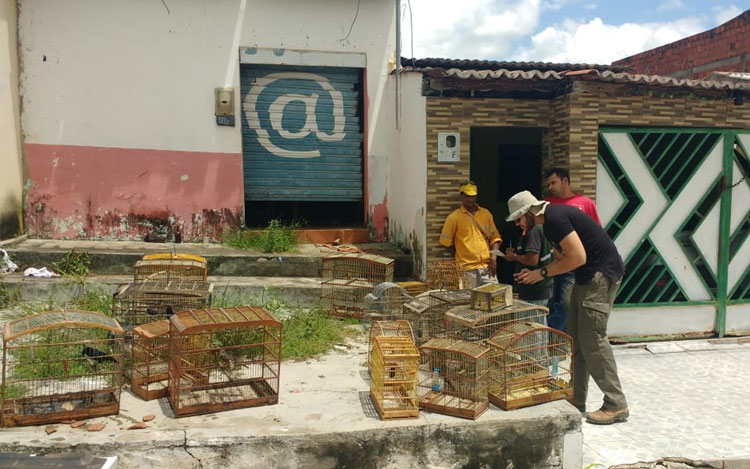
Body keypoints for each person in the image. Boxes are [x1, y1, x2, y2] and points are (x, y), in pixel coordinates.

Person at [506, 190, 628, 425]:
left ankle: (616, 404)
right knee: (577, 339)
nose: (519, 225)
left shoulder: (555, 219)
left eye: (519, 219)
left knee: (593, 339)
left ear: (529, 212)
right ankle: (577, 398)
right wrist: (535, 273)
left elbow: (578, 257)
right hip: (587, 278)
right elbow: (565, 259)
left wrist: (540, 272)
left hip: (601, 276)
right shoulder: (549, 224)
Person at [544, 168, 602, 333]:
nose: (550, 187)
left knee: (583, 304)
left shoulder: (585, 203)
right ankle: (554, 343)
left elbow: (596, 232)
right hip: (563, 263)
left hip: (585, 264)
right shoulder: (548, 205)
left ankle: (573, 340)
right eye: (548, 184)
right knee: (562, 303)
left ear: (565, 181)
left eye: (553, 183)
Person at [439, 181, 502, 289]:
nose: (470, 199)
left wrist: (493, 258)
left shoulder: (486, 214)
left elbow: (495, 237)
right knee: (469, 301)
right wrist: (462, 257)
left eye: (472, 196)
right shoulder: (454, 218)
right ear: (461, 196)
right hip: (467, 270)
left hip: (487, 268)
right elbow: (447, 244)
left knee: (493, 299)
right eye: (467, 196)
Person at [502, 224, 553, 312]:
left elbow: (532, 260)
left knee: (534, 323)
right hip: (541, 287)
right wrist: (517, 252)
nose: (517, 223)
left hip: (534, 290)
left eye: (519, 219)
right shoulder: (541, 228)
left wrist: (513, 256)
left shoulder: (533, 230)